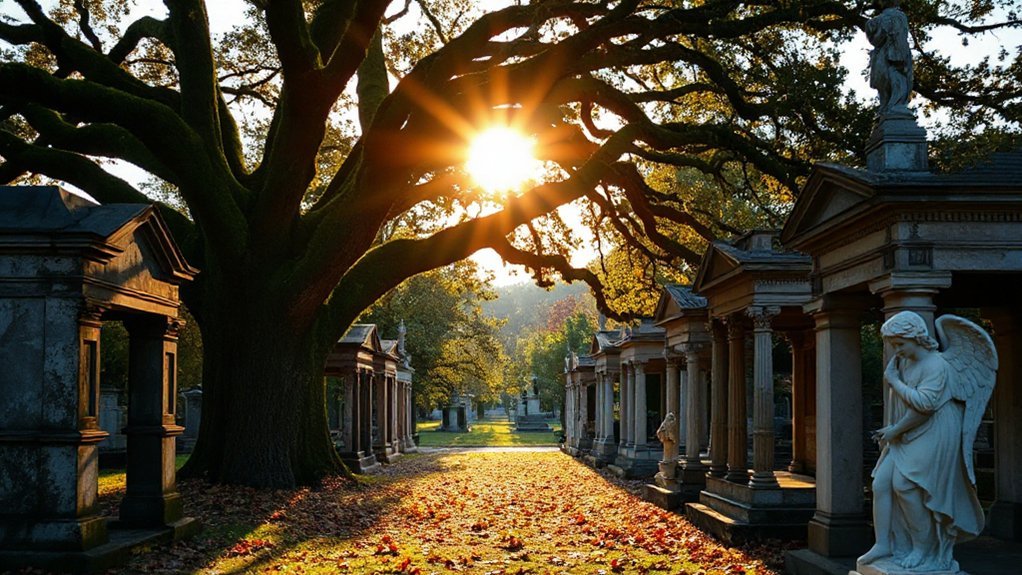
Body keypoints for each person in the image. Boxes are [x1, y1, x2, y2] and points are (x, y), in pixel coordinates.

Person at [857, 312, 985, 572]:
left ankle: (923, 549)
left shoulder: (937, 365)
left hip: (935, 429)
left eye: (900, 344)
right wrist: (895, 429)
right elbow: (906, 405)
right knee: (881, 482)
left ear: (916, 337)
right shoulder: (906, 362)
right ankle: (884, 544)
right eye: (893, 344)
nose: (897, 350)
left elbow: (925, 405)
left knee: (906, 485)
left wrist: (894, 389)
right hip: (909, 430)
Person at [866, 0, 913, 116]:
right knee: (890, 81)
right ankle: (892, 107)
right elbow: (876, 40)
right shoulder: (893, 17)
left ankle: (893, 107)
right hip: (890, 55)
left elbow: (900, 37)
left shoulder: (875, 22)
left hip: (891, 55)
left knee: (892, 82)